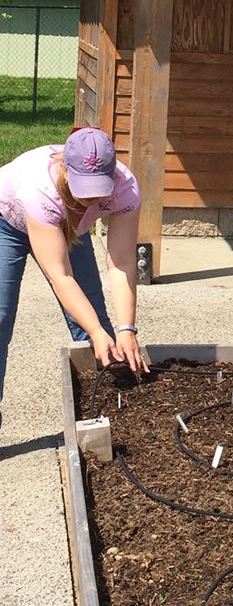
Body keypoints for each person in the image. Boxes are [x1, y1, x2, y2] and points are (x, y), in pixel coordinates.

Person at [0, 127, 149, 428]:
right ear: (66, 170)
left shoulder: (126, 187)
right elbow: (61, 276)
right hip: (8, 224)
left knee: (97, 318)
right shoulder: (40, 185)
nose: (92, 199)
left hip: (69, 228)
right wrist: (95, 330)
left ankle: (113, 415)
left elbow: (121, 262)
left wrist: (126, 328)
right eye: (85, 191)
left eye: (99, 190)